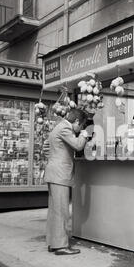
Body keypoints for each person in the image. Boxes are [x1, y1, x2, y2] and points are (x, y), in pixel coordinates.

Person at [44, 109, 88, 256]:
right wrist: (84, 135)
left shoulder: (59, 126)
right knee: (62, 211)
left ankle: (53, 243)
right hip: (59, 174)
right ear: (76, 122)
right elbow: (78, 145)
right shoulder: (65, 127)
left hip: (54, 173)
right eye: (80, 126)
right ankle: (61, 246)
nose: (80, 129)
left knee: (54, 211)